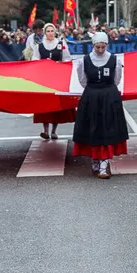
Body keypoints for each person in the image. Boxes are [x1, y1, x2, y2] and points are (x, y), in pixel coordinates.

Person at [73, 32, 128, 179]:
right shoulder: (84, 61)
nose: (100, 50)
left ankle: (104, 165)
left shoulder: (114, 60)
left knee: (107, 129)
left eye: (103, 47)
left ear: (107, 45)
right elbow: (83, 80)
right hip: (91, 96)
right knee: (92, 128)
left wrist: (106, 90)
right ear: (93, 45)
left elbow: (116, 79)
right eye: (98, 47)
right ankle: (95, 160)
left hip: (109, 96)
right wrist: (94, 89)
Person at [31, 23, 74, 139]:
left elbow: (67, 58)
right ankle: (45, 130)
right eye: (48, 31)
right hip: (44, 79)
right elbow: (34, 59)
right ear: (45, 33)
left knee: (56, 104)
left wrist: (58, 64)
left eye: (52, 31)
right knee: (45, 104)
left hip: (57, 78)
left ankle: (54, 130)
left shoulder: (61, 44)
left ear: (55, 32)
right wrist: (43, 63)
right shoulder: (39, 46)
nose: (50, 33)